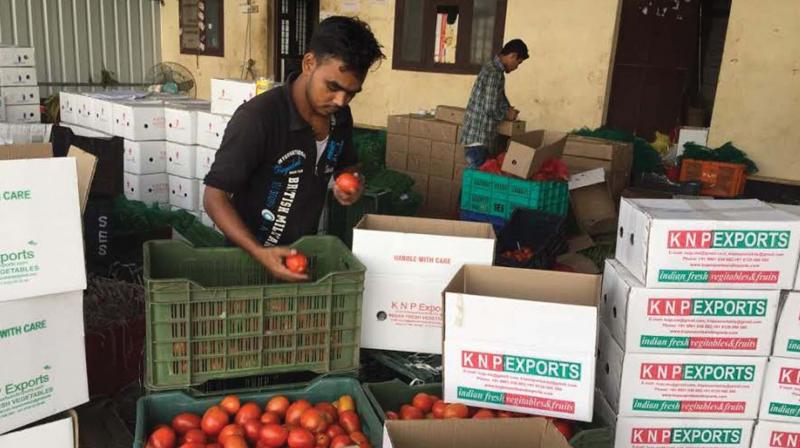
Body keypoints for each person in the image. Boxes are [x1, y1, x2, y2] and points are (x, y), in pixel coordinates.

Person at [203, 16, 384, 281]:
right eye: (333, 87)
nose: (341, 100)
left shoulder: (340, 117)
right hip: (248, 260)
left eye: (351, 93)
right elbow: (214, 197)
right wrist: (260, 253)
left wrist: (353, 183)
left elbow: (348, 166)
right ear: (309, 63)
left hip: (300, 257)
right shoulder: (258, 118)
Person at [459, 39, 529, 168]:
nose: (516, 67)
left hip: (477, 140)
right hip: (479, 140)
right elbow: (490, 108)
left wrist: (506, 108)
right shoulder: (494, 73)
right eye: (518, 63)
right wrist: (507, 114)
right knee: (476, 184)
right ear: (512, 55)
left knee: (476, 183)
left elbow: (494, 100)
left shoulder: (491, 68)